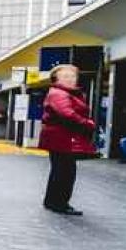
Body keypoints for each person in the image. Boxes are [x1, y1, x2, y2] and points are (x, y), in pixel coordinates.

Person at [38, 64, 96, 215]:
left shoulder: (66, 92)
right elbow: (67, 113)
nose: (70, 79)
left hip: (60, 136)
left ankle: (52, 201)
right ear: (56, 79)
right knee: (66, 171)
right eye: (66, 76)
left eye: (73, 76)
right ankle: (60, 203)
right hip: (61, 137)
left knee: (60, 169)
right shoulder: (59, 93)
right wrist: (87, 123)